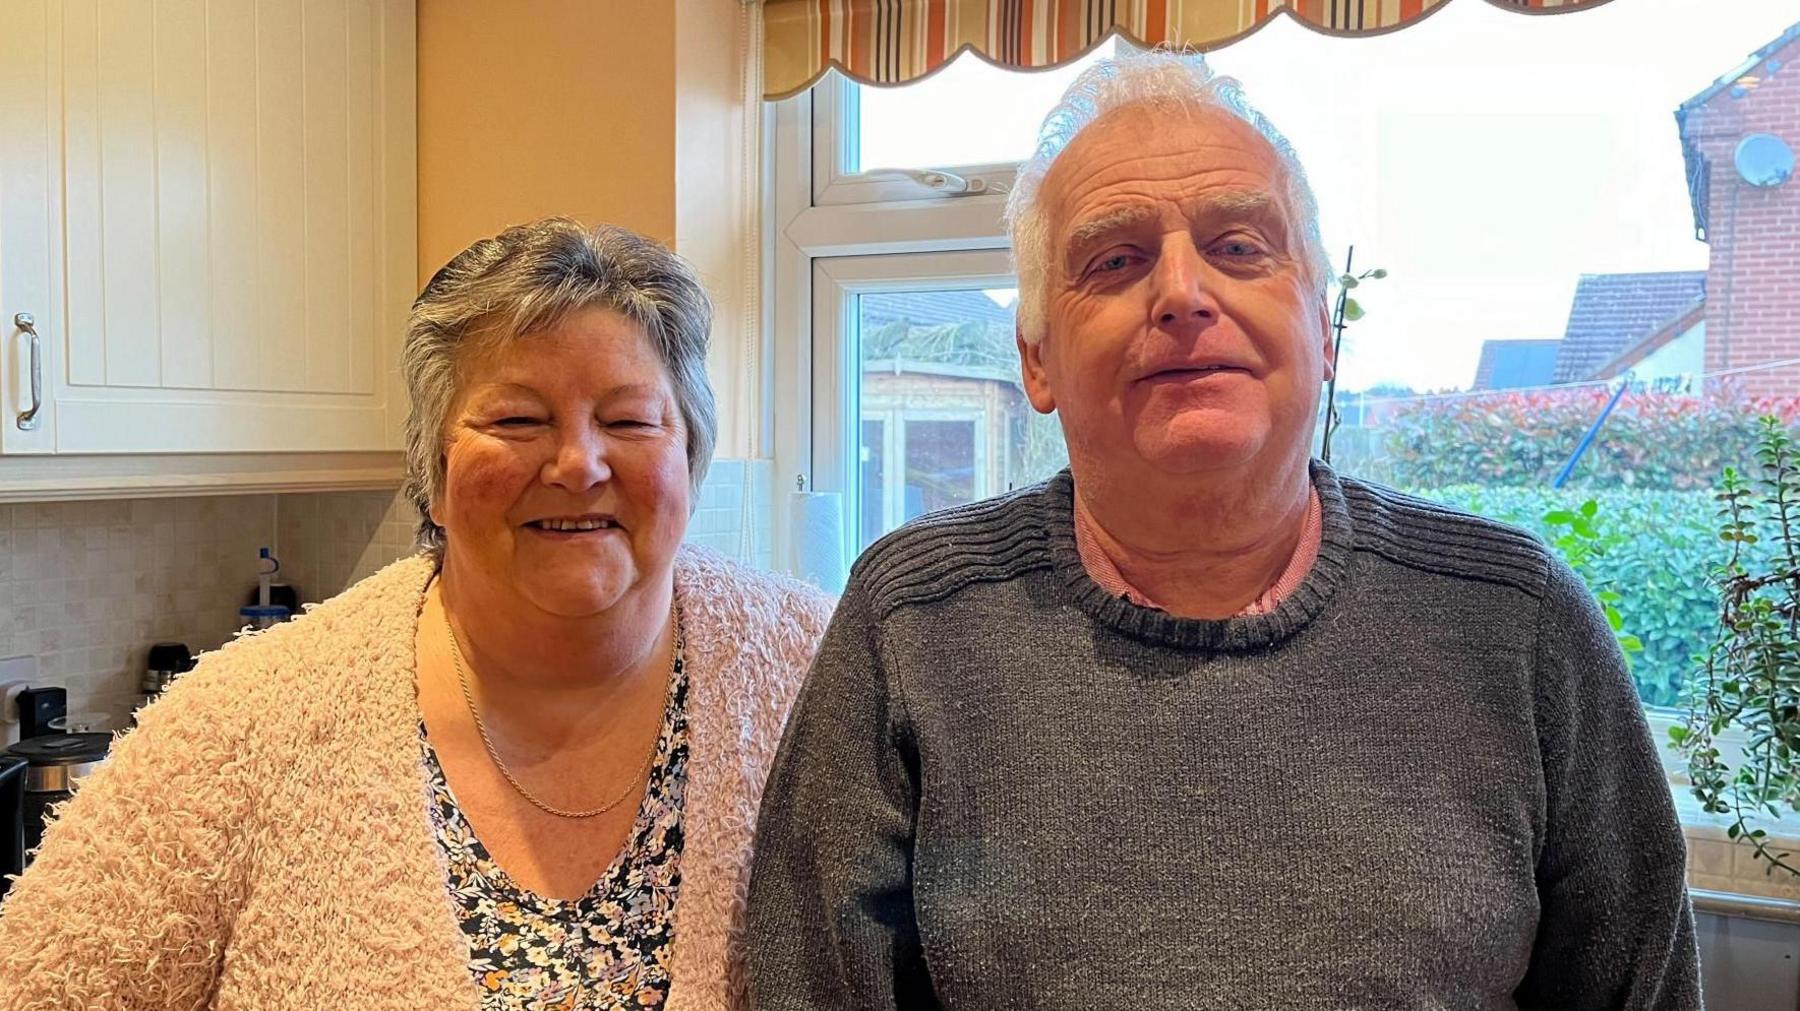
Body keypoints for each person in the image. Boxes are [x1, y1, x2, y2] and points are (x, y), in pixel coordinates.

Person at [746, 49, 1699, 1010]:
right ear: (1036, 358)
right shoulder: (912, 619)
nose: (1183, 294)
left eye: (1240, 246)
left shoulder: (1517, 622)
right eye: (1114, 260)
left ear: (1322, 326)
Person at [0, 218, 832, 1010]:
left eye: (629, 420)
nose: (579, 463)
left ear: (691, 457)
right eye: (516, 419)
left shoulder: (824, 674)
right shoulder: (249, 723)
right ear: (432, 468)